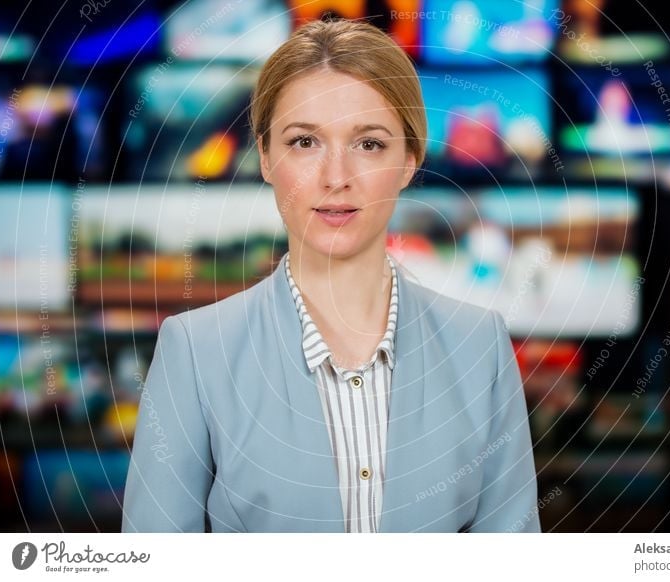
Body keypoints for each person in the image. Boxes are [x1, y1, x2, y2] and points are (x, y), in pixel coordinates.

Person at [122, 18, 540, 533]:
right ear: (267, 157)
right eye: (304, 142)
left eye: (369, 144)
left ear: (410, 160)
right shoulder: (193, 351)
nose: (336, 177)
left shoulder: (481, 346)